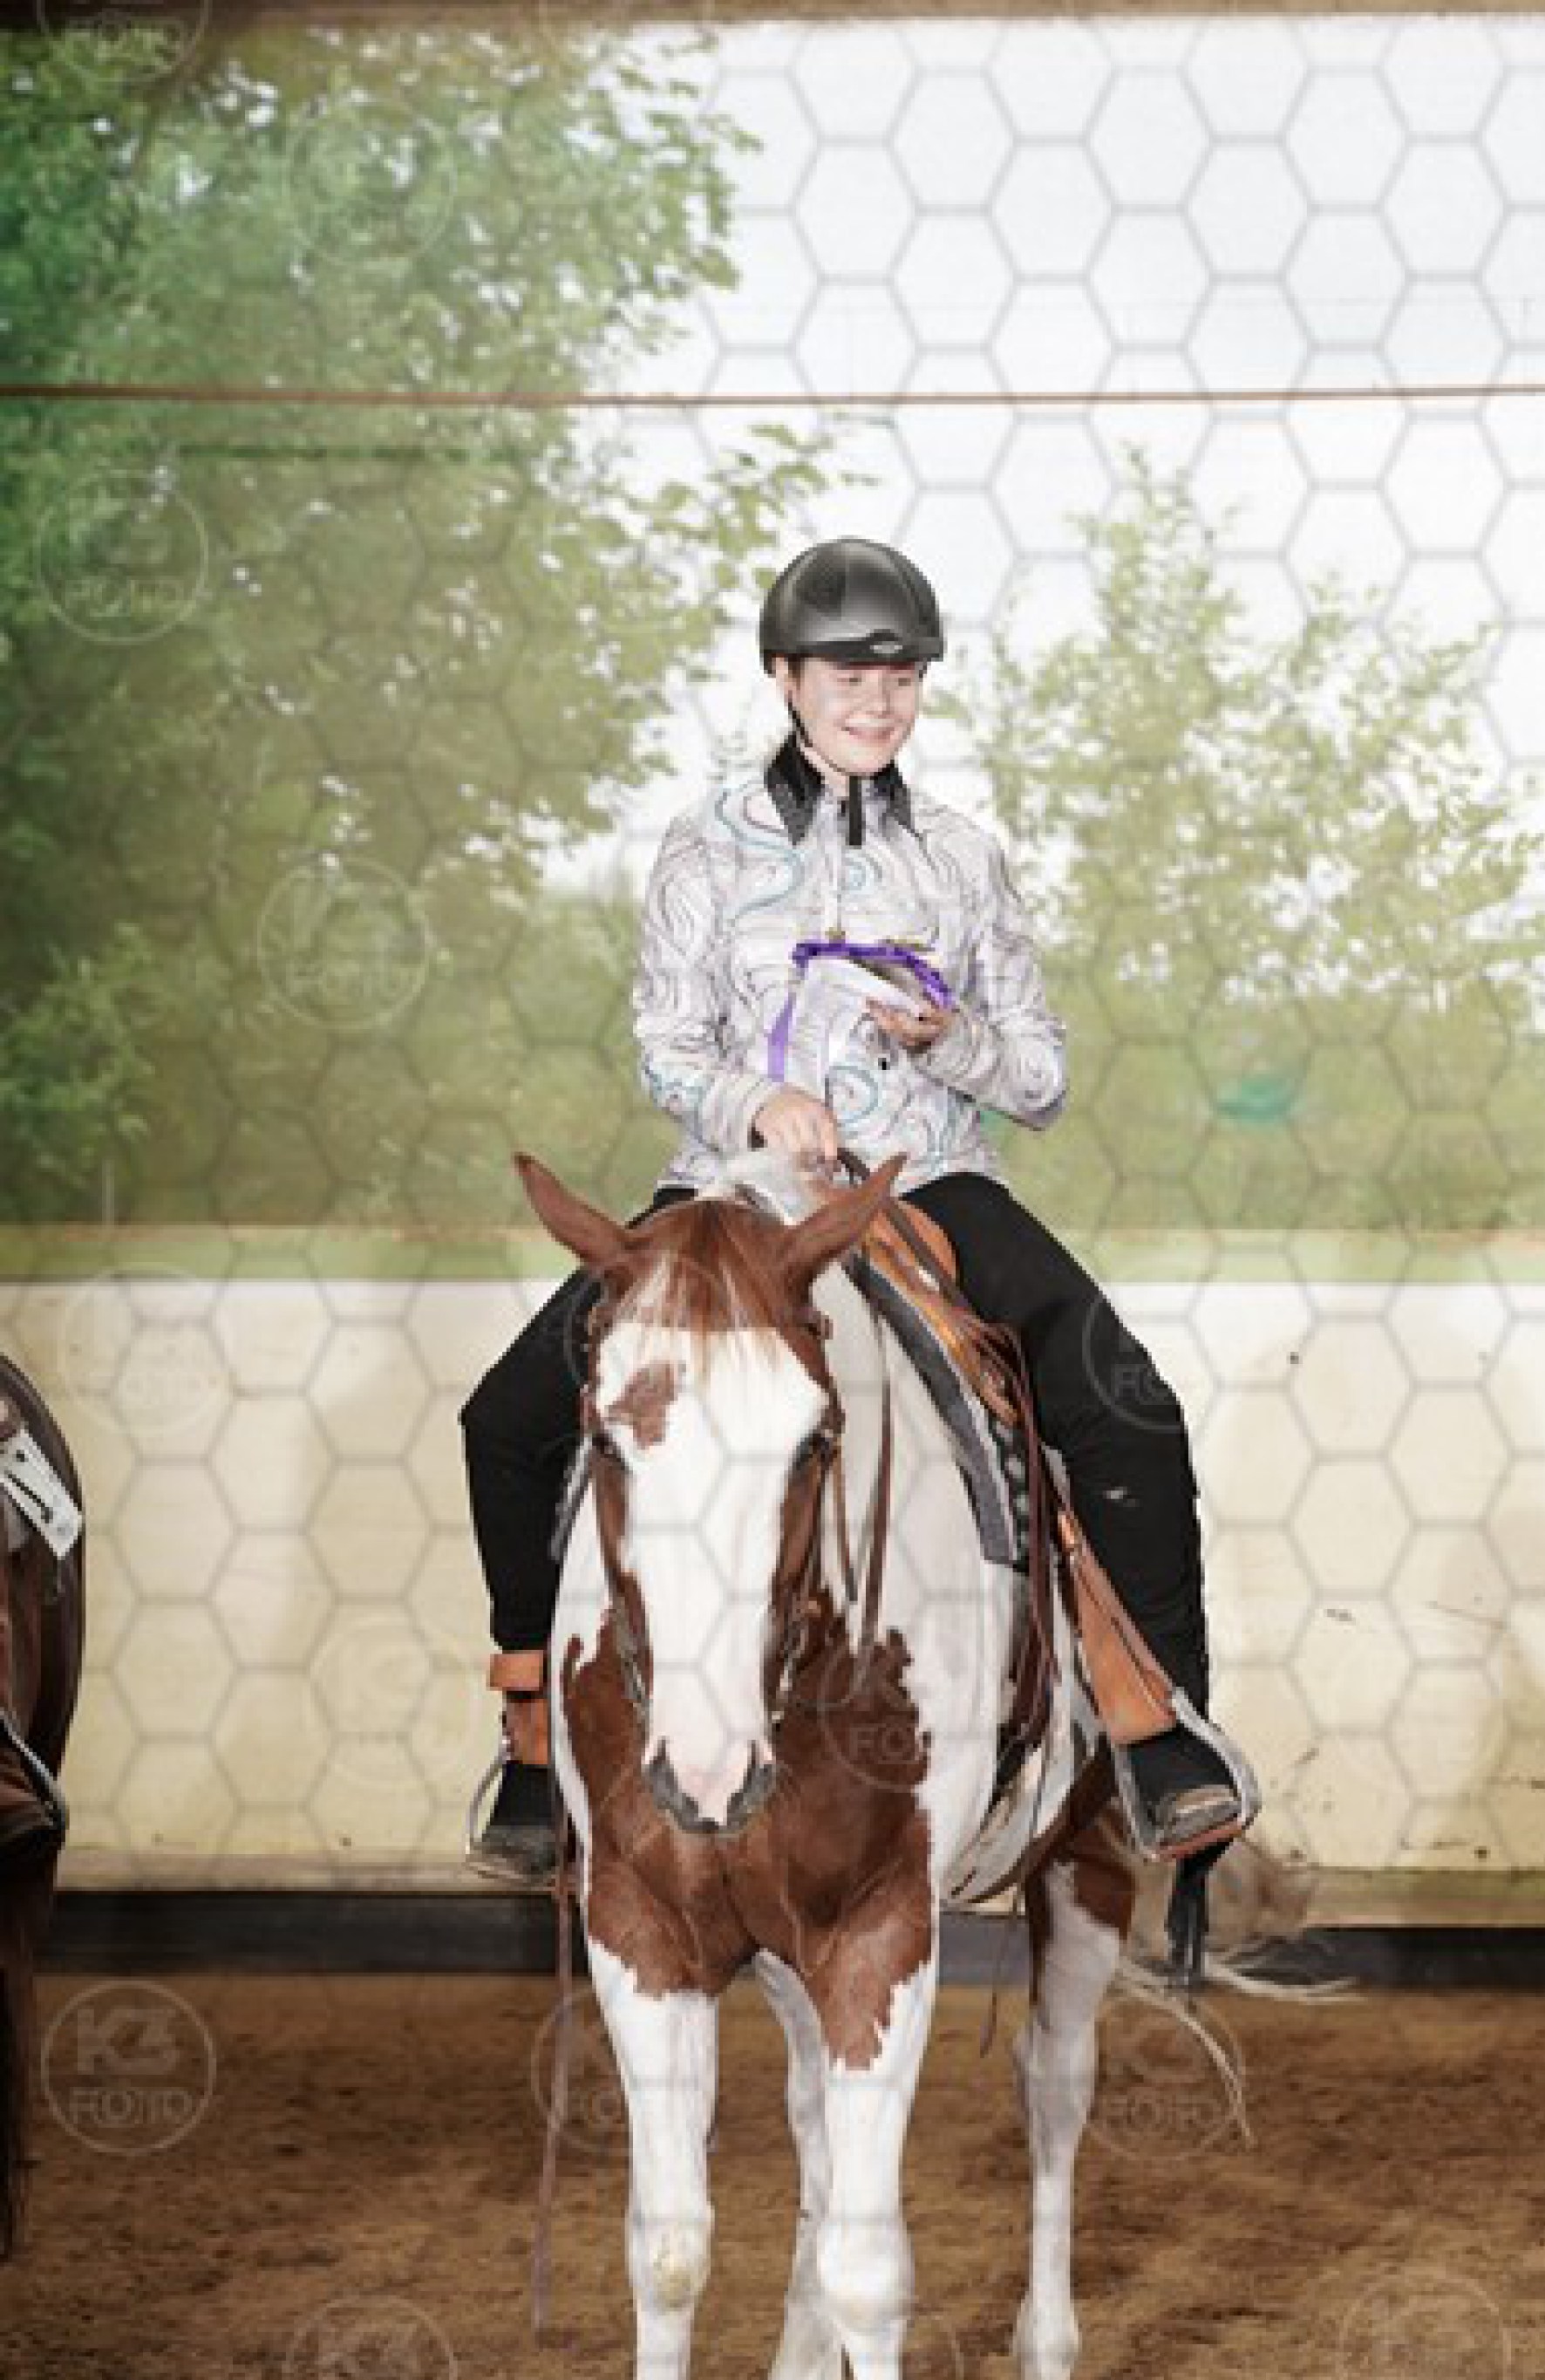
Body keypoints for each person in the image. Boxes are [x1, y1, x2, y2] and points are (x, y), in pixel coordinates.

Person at [459, 536, 1256, 1886]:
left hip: (927, 1178)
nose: (878, 702)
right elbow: (666, 1046)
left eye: (902, 677)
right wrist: (756, 1102)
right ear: (786, 676)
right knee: (508, 1415)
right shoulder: (704, 844)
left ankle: (1159, 1731)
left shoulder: (961, 856)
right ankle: (536, 1738)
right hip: (730, 1191)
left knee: (1128, 1403)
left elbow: (1043, 1079)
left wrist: (955, 1042)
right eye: (848, 676)